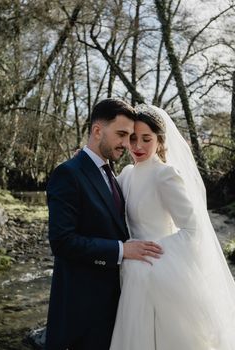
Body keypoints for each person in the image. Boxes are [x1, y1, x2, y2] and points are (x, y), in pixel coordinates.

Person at [110, 104, 235, 350]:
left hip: (159, 271)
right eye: (133, 138)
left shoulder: (164, 175)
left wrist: (149, 251)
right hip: (130, 273)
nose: (138, 146)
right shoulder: (126, 174)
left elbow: (193, 230)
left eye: (147, 138)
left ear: (160, 141)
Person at [45, 99, 163, 350]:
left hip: (116, 306)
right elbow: (62, 241)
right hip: (81, 311)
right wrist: (122, 250)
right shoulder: (68, 173)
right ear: (98, 130)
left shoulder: (114, 174)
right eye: (121, 134)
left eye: (130, 136)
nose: (127, 143)